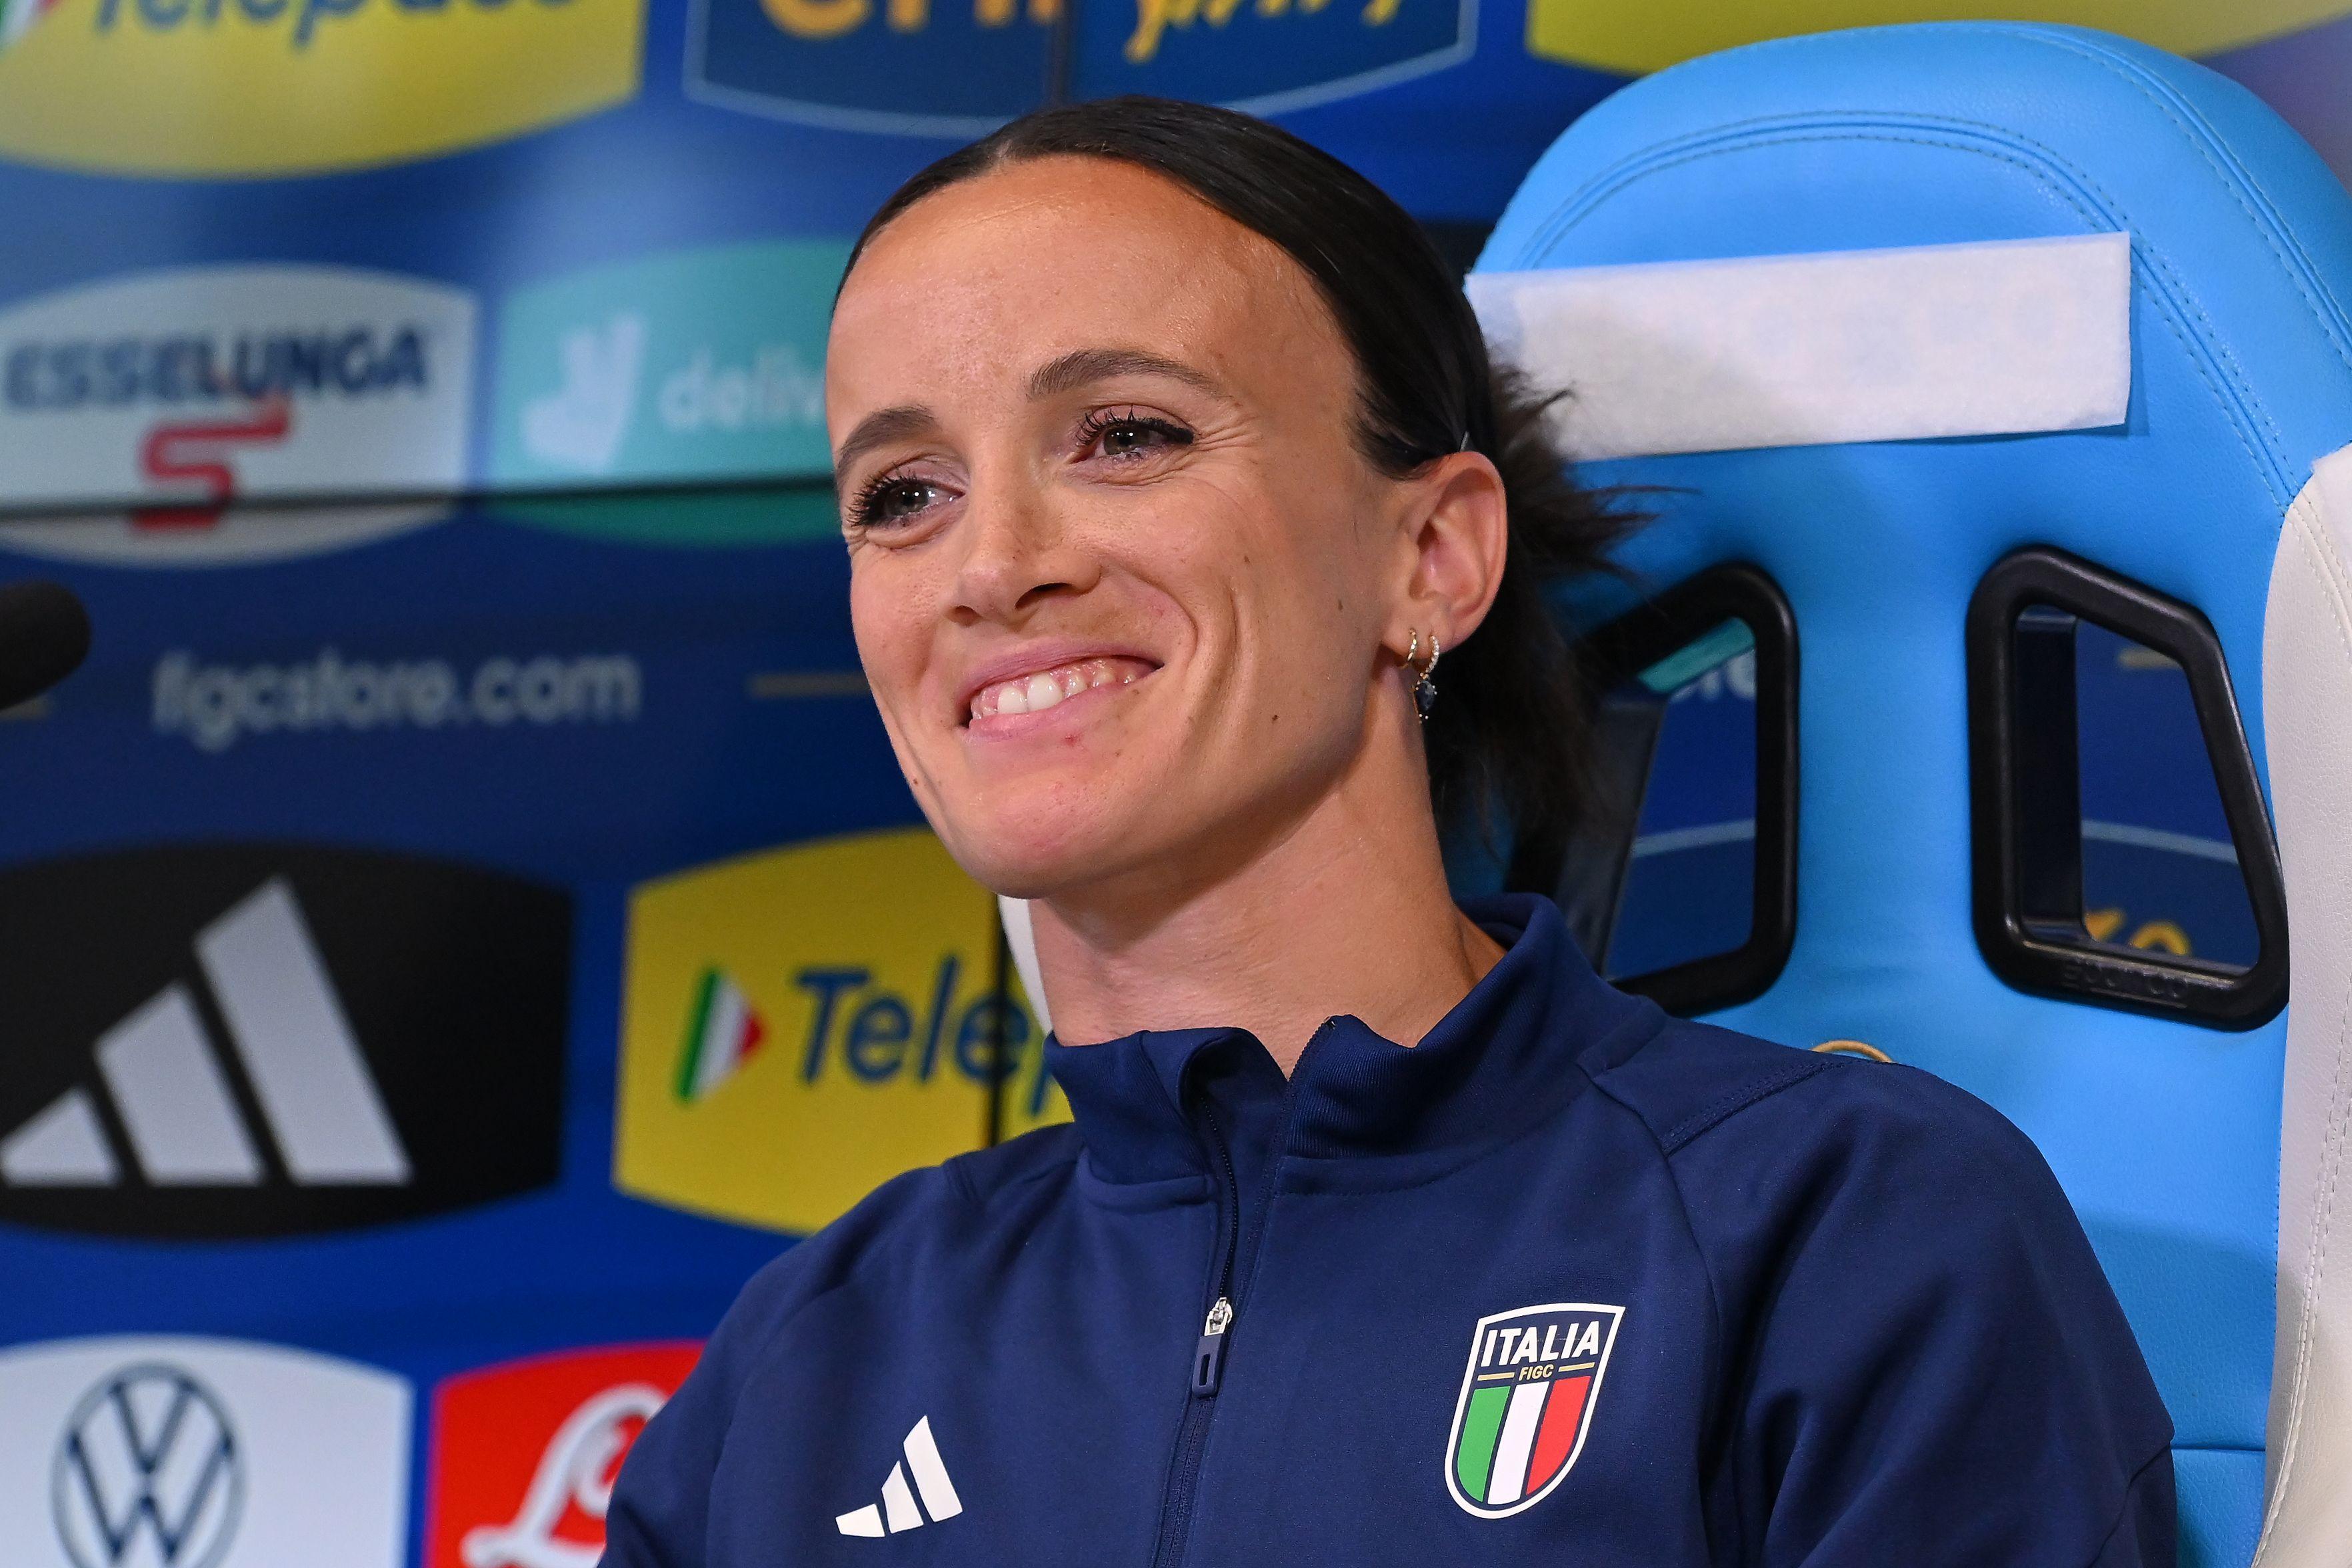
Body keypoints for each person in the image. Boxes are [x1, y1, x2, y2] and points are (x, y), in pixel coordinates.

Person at [601, 97, 2175, 1567]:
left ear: (1433, 555)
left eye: (1127, 435)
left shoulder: (1845, 1231)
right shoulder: (801, 1371)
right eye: (902, 494)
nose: (992, 565)